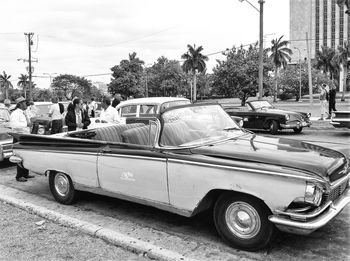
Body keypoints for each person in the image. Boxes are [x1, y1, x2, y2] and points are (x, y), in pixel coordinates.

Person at [10, 96, 34, 182]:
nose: (26, 104)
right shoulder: (15, 113)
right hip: (19, 138)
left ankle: (25, 174)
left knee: (26, 156)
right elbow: (14, 125)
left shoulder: (24, 112)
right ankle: (19, 176)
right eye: (24, 103)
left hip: (25, 137)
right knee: (19, 157)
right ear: (20, 104)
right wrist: (26, 125)